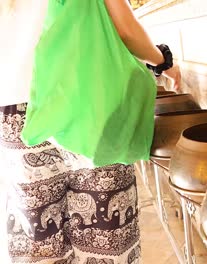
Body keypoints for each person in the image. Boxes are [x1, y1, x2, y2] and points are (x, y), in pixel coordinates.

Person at [0, 0, 181, 263]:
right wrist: (164, 62)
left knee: (39, 238)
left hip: (15, 110)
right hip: (89, 100)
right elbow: (126, 30)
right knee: (107, 232)